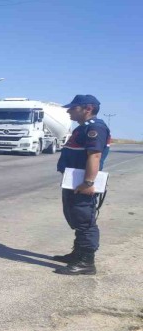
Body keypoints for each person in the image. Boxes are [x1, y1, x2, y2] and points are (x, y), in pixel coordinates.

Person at [53, 94, 110, 275]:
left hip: (82, 182)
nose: (69, 111)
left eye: (73, 108)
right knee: (77, 217)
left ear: (87, 109)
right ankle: (77, 254)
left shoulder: (95, 128)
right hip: (74, 180)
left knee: (85, 221)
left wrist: (88, 182)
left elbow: (94, 156)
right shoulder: (83, 128)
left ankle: (86, 262)